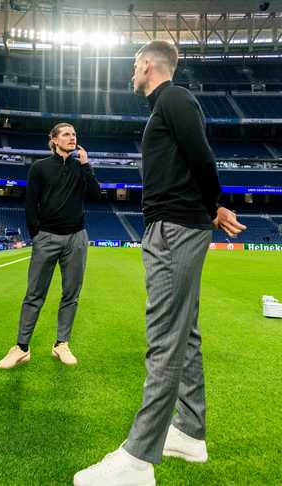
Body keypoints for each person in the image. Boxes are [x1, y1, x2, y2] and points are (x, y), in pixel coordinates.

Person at [74, 40, 245, 486]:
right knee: (184, 333)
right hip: (176, 225)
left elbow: (202, 156)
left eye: (135, 65)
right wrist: (210, 207)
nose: (131, 73)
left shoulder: (174, 98)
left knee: (164, 336)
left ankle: (138, 458)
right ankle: (189, 431)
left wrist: (213, 203)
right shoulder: (165, 107)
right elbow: (192, 160)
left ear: (148, 64)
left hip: (174, 228)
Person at [0, 123, 99, 370]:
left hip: (76, 237)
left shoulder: (80, 168)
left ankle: (61, 344)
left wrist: (87, 166)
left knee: (71, 294)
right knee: (34, 294)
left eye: (74, 134)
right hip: (47, 237)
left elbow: (95, 195)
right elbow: (30, 203)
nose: (72, 137)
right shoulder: (40, 167)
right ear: (54, 140)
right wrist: (37, 234)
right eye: (66, 134)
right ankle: (21, 347)